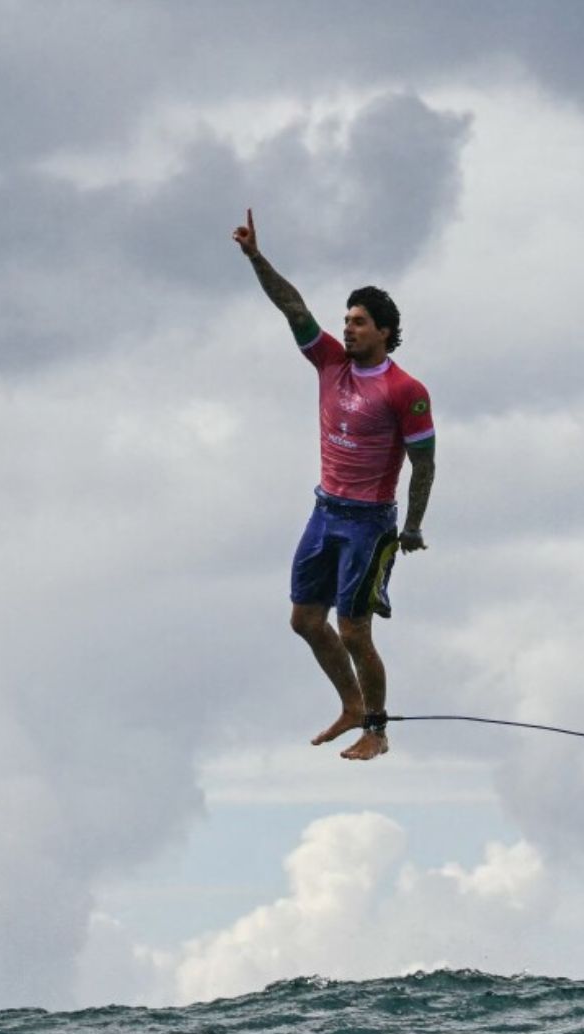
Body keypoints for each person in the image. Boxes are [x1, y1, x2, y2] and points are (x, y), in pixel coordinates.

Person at [232, 208, 436, 762]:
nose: (347, 328)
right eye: (346, 320)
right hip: (325, 511)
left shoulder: (405, 389)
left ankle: (376, 728)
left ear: (385, 333)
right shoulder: (329, 362)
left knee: (354, 630)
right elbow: (292, 305)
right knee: (304, 620)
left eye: (359, 322)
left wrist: (413, 526)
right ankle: (350, 705)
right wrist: (255, 257)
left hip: (369, 523)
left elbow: (425, 463)